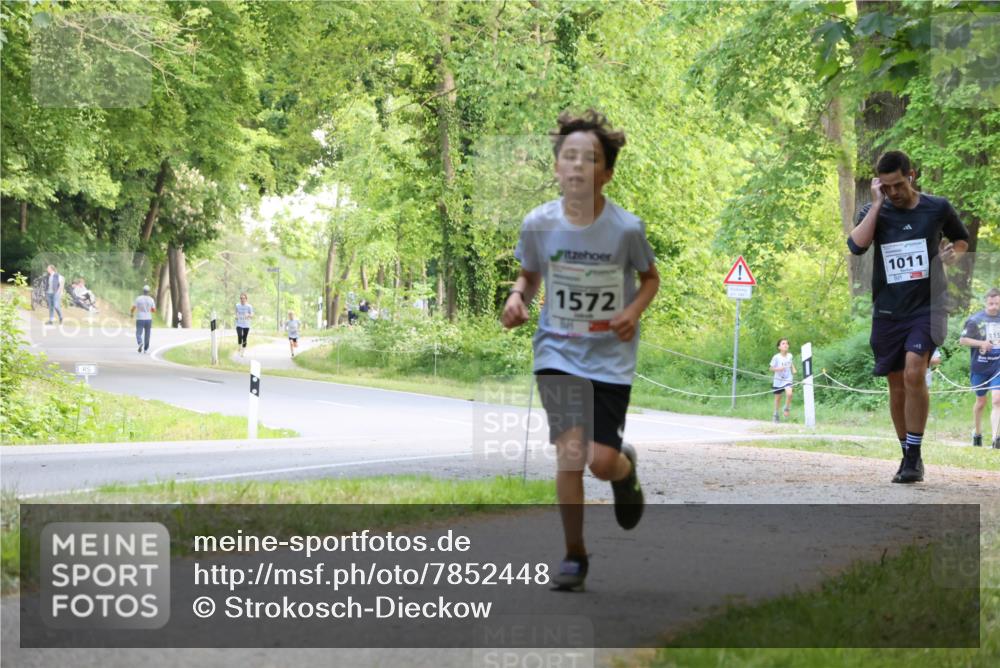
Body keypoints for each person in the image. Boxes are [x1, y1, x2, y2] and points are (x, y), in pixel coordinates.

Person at [501, 109, 659, 591]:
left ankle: (624, 470)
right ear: (556, 167)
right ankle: (574, 555)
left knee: (600, 461)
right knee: (569, 453)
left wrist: (632, 311)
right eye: (567, 157)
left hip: (610, 358)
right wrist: (516, 298)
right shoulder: (539, 223)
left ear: (605, 172)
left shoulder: (626, 228)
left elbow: (650, 279)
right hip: (557, 353)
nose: (575, 167)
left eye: (587, 159)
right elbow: (529, 275)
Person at [848, 150, 970, 483]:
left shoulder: (937, 207)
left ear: (911, 175)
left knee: (915, 371)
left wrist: (953, 254)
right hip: (888, 310)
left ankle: (914, 457)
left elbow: (961, 239)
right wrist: (875, 205)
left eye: (899, 184)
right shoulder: (875, 210)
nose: (894, 192)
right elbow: (856, 246)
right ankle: (907, 453)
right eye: (886, 187)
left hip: (928, 306)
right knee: (896, 385)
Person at [958, 288, 1000, 448]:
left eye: (997, 303)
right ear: (985, 302)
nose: (994, 307)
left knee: (997, 399)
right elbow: (963, 340)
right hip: (980, 367)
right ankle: (977, 433)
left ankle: (996, 439)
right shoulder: (975, 320)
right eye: (991, 304)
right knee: (981, 402)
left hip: (998, 366)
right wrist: (981, 343)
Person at [769, 338, 796, 422]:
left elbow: (790, 363)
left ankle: (786, 408)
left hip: (788, 379)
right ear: (779, 347)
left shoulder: (790, 355)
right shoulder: (776, 357)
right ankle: (776, 414)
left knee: (789, 393)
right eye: (783, 343)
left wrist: (793, 369)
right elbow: (771, 368)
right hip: (778, 380)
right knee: (778, 398)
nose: (786, 345)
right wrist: (779, 368)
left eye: (787, 343)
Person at [130, 285, 156, 354]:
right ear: (149, 292)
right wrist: (148, 309)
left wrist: (131, 313)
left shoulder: (138, 298)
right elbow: (153, 310)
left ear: (143, 291)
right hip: (148, 318)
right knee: (147, 334)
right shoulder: (151, 299)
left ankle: (140, 342)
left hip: (140, 318)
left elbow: (133, 307)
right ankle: (146, 349)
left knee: (138, 333)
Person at [235, 293, 253, 357]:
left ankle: (243, 351)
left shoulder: (249, 306)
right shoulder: (237, 305)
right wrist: (236, 316)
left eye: (243, 298)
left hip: (246, 324)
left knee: (244, 337)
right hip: (239, 323)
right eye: (241, 298)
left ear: (246, 299)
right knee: (240, 335)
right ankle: (239, 346)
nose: (242, 299)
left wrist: (248, 315)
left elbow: (252, 315)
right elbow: (236, 312)